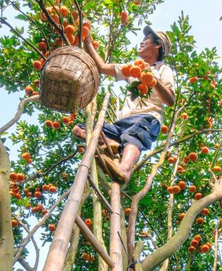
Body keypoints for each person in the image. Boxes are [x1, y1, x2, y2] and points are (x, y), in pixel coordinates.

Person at [73, 26, 175, 184]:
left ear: (157, 45)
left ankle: (124, 170)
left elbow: (170, 100)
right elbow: (101, 68)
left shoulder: (163, 69)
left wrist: (152, 79)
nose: (141, 42)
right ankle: (113, 146)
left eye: (147, 39)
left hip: (147, 118)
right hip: (121, 123)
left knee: (133, 138)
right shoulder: (133, 68)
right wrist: (88, 42)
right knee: (80, 129)